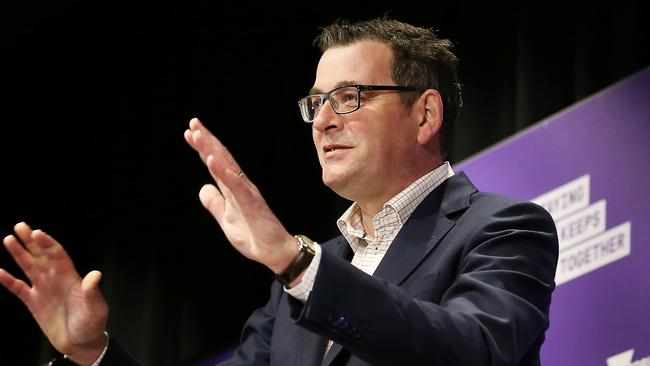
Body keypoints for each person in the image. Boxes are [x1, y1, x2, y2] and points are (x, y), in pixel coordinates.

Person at [0, 18, 558, 366]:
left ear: (424, 114)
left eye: (349, 97)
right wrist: (93, 352)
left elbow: (473, 351)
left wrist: (298, 266)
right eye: (317, 103)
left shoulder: (503, 228)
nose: (322, 122)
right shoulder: (303, 281)